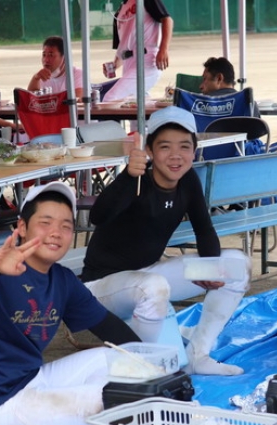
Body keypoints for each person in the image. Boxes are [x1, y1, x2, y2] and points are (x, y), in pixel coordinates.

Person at [0, 182, 141, 425]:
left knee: (118, 359)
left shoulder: (62, 280)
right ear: (22, 227)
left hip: (32, 379)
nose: (56, 233)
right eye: (45, 223)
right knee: (117, 400)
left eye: (65, 226)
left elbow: (107, 325)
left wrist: (150, 361)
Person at [79, 106, 251, 376]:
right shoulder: (136, 180)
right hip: (103, 288)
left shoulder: (187, 179)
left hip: (149, 275)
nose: (175, 155)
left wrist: (210, 269)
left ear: (194, 150)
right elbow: (97, 216)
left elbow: (204, 230)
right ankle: (144, 369)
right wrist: (127, 176)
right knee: (164, 361)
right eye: (165, 147)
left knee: (236, 265)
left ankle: (199, 354)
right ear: (149, 149)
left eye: (184, 146)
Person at [103, 0, 173, 101]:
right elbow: (123, 46)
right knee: (132, 103)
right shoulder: (119, 13)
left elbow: (167, 19)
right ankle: (160, 105)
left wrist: (163, 49)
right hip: (128, 63)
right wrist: (114, 65)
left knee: (110, 98)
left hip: (147, 59)